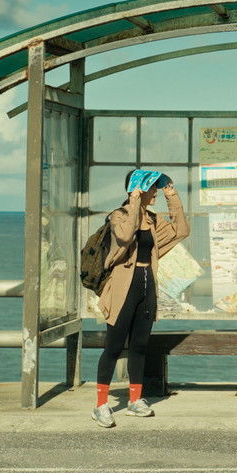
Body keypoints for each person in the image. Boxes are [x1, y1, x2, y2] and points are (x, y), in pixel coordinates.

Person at [91, 170, 189, 428]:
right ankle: (100, 405)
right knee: (113, 347)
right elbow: (125, 236)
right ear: (138, 189)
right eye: (152, 187)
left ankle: (135, 400)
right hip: (122, 289)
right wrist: (134, 201)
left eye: (156, 187)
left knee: (139, 346)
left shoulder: (152, 220)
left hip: (147, 287)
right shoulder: (119, 216)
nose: (155, 191)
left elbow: (181, 230)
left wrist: (172, 196)